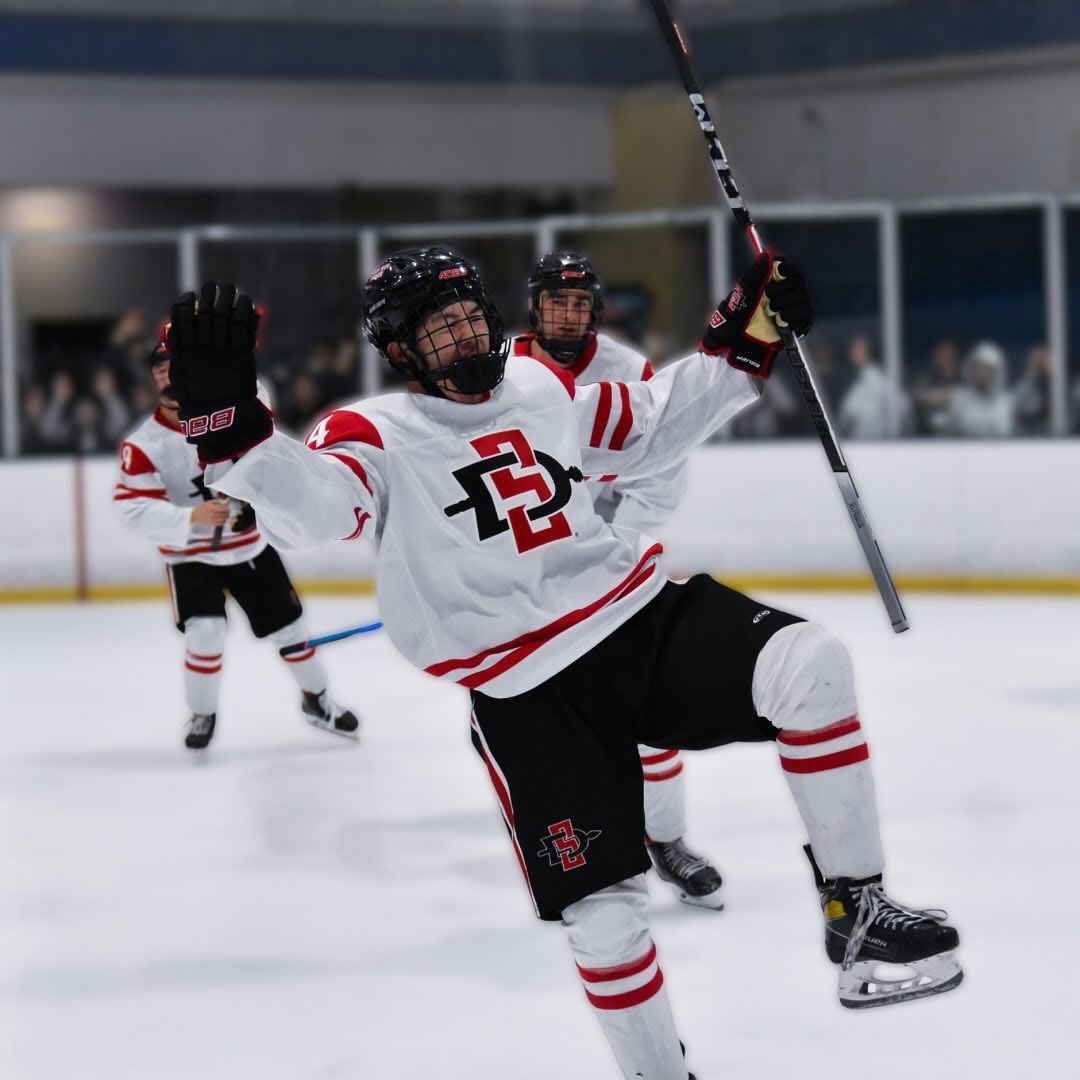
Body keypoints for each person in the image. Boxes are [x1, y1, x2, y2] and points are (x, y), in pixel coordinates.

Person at [169, 250, 961, 1079]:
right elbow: (319, 509)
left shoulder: (540, 388)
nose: (464, 332)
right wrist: (233, 428)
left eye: (469, 313)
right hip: (529, 690)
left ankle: (856, 908)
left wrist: (749, 335)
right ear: (400, 354)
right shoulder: (372, 431)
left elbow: (648, 425)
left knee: (812, 664)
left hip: (635, 614)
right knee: (605, 918)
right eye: (438, 329)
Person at [512, 250, 722, 910]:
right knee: (543, 734)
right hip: (528, 580)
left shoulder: (629, 371)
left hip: (608, 571)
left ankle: (666, 840)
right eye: (556, 303)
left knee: (650, 713)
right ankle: (575, 857)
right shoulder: (499, 371)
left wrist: (617, 539)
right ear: (535, 309)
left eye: (579, 304)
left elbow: (663, 462)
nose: (568, 315)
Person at [113, 341, 359, 751]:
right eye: (161, 370)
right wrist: (189, 518)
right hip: (190, 558)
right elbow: (133, 508)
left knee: (292, 630)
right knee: (204, 634)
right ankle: (202, 713)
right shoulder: (143, 445)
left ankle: (317, 701)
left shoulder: (228, 412)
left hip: (249, 548)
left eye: (177, 368)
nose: (170, 377)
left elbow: (263, 435)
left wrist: (228, 365)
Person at [837, 335, 912, 439]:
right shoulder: (857, 379)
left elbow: (902, 407)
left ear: (868, 352)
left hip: (874, 443)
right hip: (858, 442)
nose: (853, 352)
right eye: (853, 348)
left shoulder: (876, 379)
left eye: (858, 349)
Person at [943, 340, 1014, 438]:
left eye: (987, 369)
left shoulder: (1006, 401)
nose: (982, 373)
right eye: (978, 368)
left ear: (996, 373)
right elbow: (949, 433)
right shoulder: (959, 398)